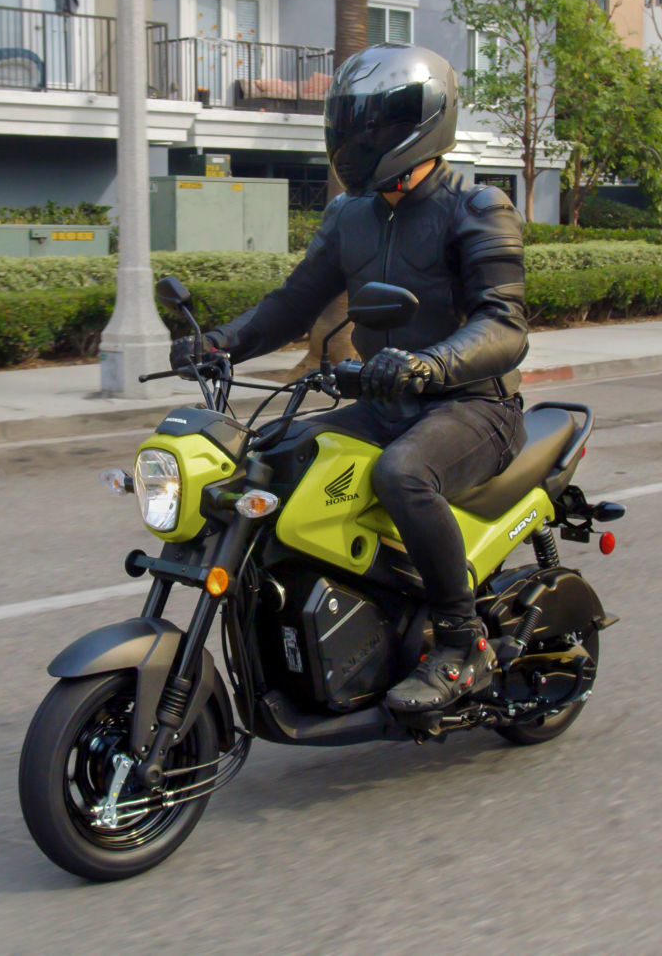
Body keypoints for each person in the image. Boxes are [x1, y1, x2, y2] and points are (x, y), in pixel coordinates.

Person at [169, 43, 529, 712]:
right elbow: (293, 303)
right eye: (355, 123)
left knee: (403, 474)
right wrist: (220, 342)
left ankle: (462, 643)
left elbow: (506, 325)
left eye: (381, 124)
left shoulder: (477, 206)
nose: (364, 138)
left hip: (473, 407)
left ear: (425, 123)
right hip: (382, 399)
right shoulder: (350, 215)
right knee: (274, 460)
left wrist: (431, 364)